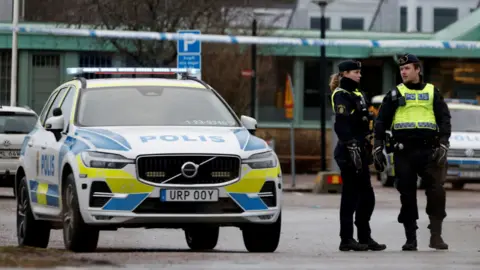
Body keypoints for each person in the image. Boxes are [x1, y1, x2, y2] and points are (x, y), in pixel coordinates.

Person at [373, 53, 451, 251]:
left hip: (430, 151)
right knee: (407, 195)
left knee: (437, 192)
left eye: (407, 68)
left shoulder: (433, 92)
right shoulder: (394, 94)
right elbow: (381, 121)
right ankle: (411, 238)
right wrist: (378, 145)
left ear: (418, 69)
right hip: (404, 151)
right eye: (401, 69)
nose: (403, 72)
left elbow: (444, 119)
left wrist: (443, 143)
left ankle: (436, 235)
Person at [330, 60, 387, 252]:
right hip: (348, 152)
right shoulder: (341, 94)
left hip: (361, 150)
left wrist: (374, 145)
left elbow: (366, 121)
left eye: (359, 72)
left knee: (367, 196)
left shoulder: (358, 94)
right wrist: (352, 146)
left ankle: (364, 236)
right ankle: (346, 239)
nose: (359, 75)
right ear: (345, 73)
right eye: (356, 72)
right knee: (351, 196)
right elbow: (341, 124)